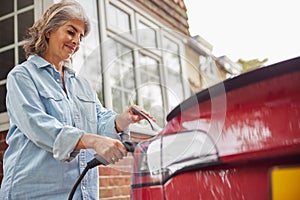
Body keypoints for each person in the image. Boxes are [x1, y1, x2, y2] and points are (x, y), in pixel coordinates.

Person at [0, 1, 154, 199]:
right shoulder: (22, 76)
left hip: (81, 192)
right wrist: (91, 140)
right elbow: (38, 126)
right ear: (49, 30)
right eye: (71, 32)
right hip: (35, 191)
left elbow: (99, 119)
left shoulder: (81, 84)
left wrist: (122, 120)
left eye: (80, 36)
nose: (76, 41)